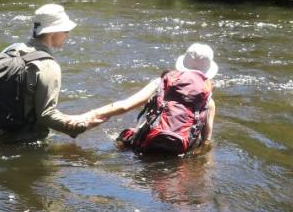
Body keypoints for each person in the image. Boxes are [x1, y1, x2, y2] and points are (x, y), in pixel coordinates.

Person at [0, 4, 103, 143]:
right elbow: (46, 115)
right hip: (29, 144)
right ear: (52, 32)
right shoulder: (48, 65)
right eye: (65, 30)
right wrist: (82, 125)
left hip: (1, 132)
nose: (68, 34)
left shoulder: (11, 50)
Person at [84, 43, 218, 154]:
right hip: (179, 153)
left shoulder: (161, 83)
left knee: (122, 137)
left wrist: (92, 114)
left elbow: (124, 106)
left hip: (146, 146)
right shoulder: (208, 100)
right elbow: (206, 141)